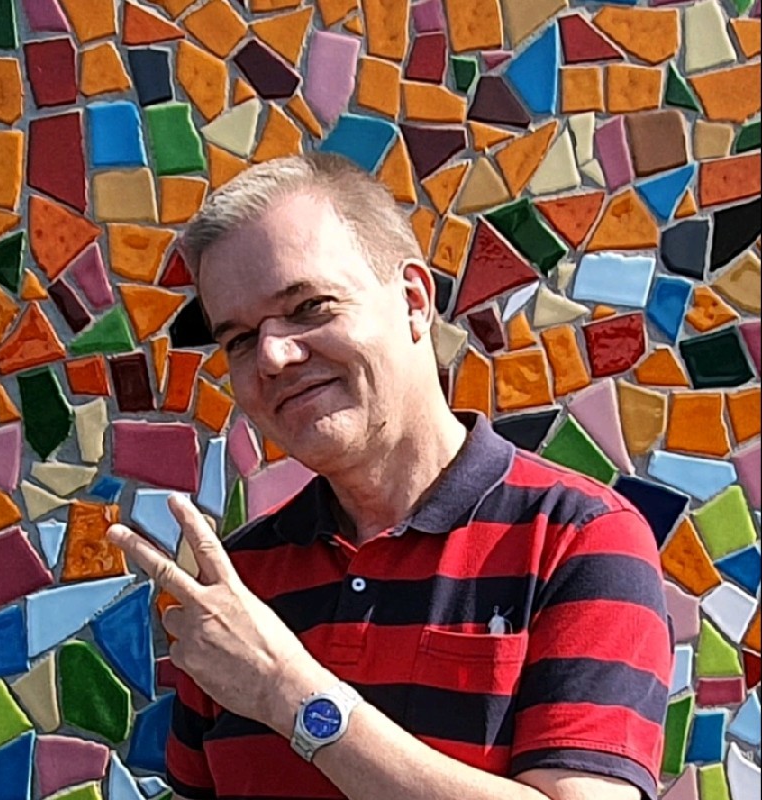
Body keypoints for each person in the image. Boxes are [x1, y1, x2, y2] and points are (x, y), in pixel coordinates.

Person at [108, 153, 672, 800]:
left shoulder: (578, 539)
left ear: (413, 301)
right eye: (238, 338)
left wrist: (287, 691)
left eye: (309, 306)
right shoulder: (241, 581)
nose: (271, 356)